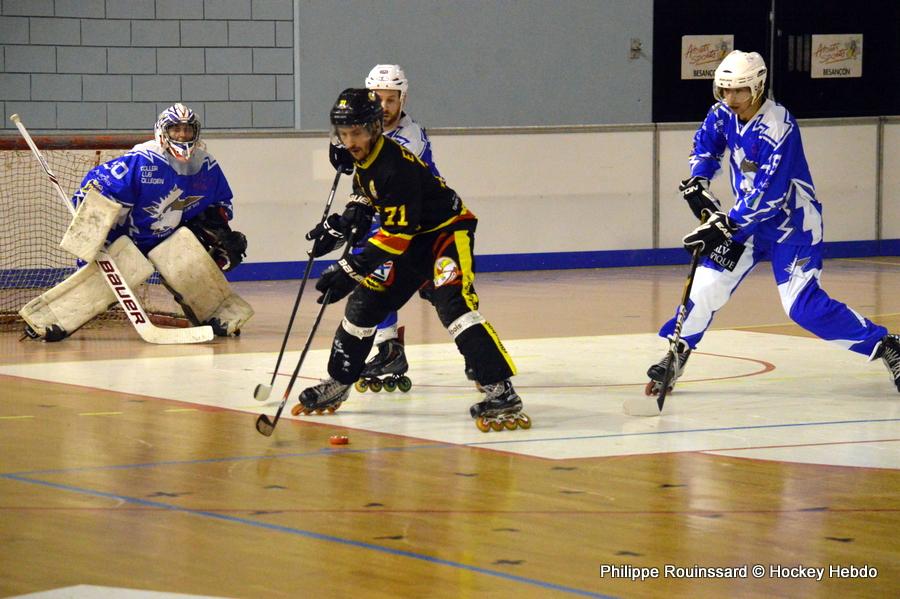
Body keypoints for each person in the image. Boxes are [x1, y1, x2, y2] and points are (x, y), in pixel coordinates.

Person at [646, 50, 900, 395]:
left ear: (759, 87)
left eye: (739, 90)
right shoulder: (722, 113)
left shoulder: (779, 126)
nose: (730, 98)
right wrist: (698, 182)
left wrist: (725, 224)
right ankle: (677, 352)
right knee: (706, 286)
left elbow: (771, 194)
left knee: (802, 306)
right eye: (724, 90)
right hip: (745, 225)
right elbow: (705, 148)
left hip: (792, 225)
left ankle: (886, 345)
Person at [297, 88, 530, 432]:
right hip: (410, 239)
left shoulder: (395, 164)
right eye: (344, 134)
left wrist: (350, 268)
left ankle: (500, 389)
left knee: (454, 305)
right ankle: (339, 381)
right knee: (364, 305)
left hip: (445, 233)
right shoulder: (365, 160)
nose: (350, 142)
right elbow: (367, 195)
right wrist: (343, 223)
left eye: (357, 133)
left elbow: (396, 235)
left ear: (374, 128)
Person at [20, 103, 253, 341]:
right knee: (105, 284)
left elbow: (217, 204)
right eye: (176, 130)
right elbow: (96, 188)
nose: (182, 135)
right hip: (125, 238)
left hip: (165, 239)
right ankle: (49, 320)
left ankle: (220, 315)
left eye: (187, 129)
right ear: (163, 131)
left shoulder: (206, 166)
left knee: (188, 262)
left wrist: (221, 235)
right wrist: (91, 228)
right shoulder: (142, 160)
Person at [351, 64, 443, 391]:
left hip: (422, 224)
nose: (386, 107)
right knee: (370, 274)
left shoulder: (410, 136)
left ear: (403, 99)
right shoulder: (365, 132)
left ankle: (479, 356)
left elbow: (391, 181)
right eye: (379, 99)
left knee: (446, 297)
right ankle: (389, 347)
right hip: (391, 219)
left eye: (392, 99)